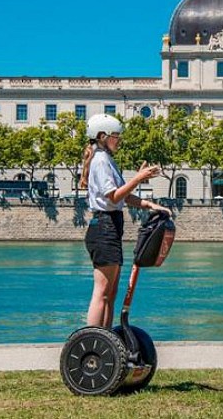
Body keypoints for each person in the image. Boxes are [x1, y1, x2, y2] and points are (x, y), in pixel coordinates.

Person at [79, 113, 170, 328]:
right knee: (102, 292)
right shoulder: (100, 160)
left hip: (111, 226)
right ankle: (93, 338)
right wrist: (138, 178)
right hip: (103, 226)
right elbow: (113, 196)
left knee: (111, 292)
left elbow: (124, 195)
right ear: (102, 136)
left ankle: (107, 338)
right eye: (115, 136)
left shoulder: (107, 159)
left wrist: (149, 204)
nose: (119, 140)